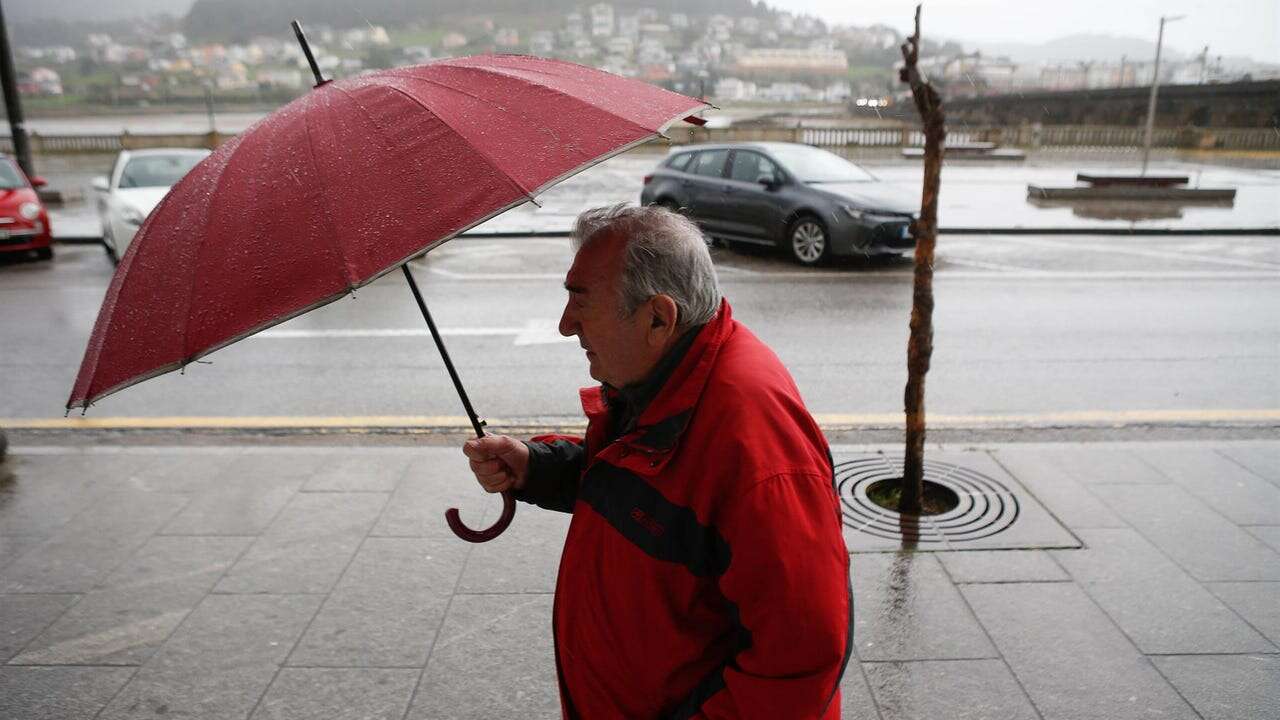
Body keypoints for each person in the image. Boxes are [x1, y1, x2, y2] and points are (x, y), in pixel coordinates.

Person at [463, 204, 851, 718]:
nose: (564, 325)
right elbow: (644, 490)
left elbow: (799, 661)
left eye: (581, 302)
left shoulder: (757, 449)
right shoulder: (665, 379)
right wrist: (536, 467)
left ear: (657, 318)